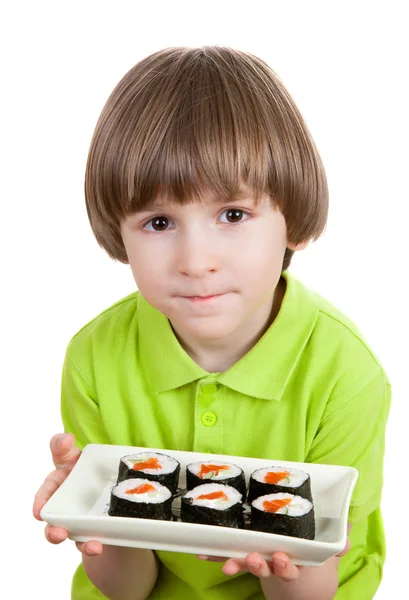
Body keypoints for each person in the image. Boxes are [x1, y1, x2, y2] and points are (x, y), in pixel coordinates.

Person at [33, 46, 391, 600]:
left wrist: (286, 566)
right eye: (158, 221)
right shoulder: (95, 359)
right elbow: (126, 590)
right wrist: (97, 527)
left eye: (233, 214)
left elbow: (325, 588)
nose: (196, 260)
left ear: (291, 219)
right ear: (118, 235)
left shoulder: (346, 375)